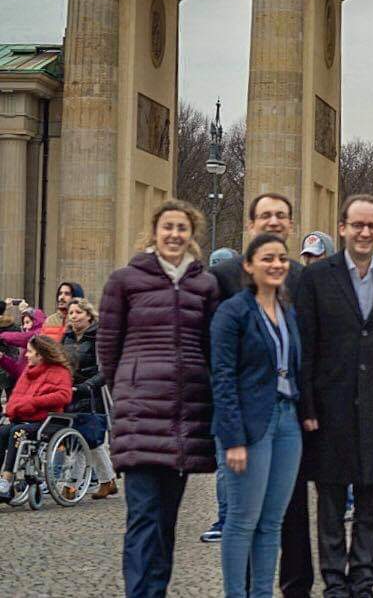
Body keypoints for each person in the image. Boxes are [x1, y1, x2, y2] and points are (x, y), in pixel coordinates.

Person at [98, 198, 221, 598]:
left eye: (182, 228)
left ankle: (157, 591)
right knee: (144, 518)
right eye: (167, 227)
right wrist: (127, 389)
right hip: (142, 414)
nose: (174, 234)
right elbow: (108, 345)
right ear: (154, 231)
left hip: (186, 415)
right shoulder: (124, 281)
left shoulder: (205, 285)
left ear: (191, 235)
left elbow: (210, 346)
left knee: (167, 520)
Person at [295, 194, 373, 598]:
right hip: (331, 405)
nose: (366, 232)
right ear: (343, 227)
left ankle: (363, 578)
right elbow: (306, 346)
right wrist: (308, 406)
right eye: (358, 225)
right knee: (329, 500)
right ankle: (334, 580)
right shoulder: (315, 278)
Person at [207, 190, 313, 598]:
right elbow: (222, 376)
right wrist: (231, 437)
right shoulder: (233, 310)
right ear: (248, 265)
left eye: (280, 259)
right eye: (266, 259)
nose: (275, 264)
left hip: (287, 421)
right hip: (250, 426)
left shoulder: (286, 309)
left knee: (271, 522)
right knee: (241, 520)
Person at [61, 297, 119, 499]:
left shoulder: (98, 337)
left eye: (78, 312)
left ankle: (75, 484)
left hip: (93, 393)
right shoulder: (66, 337)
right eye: (71, 313)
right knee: (75, 438)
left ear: (88, 315)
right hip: (71, 392)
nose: (74, 316)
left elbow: (106, 369)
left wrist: (88, 385)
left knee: (92, 438)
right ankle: (103, 480)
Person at [0, 335, 73, 496]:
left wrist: (34, 402)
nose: (26, 355)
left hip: (47, 421)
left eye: (30, 352)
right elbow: (17, 396)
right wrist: (12, 408)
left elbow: (64, 396)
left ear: (40, 354)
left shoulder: (60, 372)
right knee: (2, 431)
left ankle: (7, 479)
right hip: (24, 419)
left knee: (17, 433)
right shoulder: (29, 371)